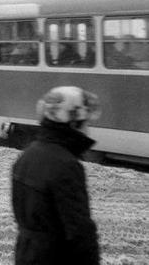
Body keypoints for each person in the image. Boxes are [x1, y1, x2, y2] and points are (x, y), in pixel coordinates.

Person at [12, 86, 100, 265]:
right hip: (55, 257)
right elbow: (80, 233)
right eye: (86, 123)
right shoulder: (66, 165)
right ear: (74, 123)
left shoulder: (28, 155)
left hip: (26, 253)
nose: (88, 129)